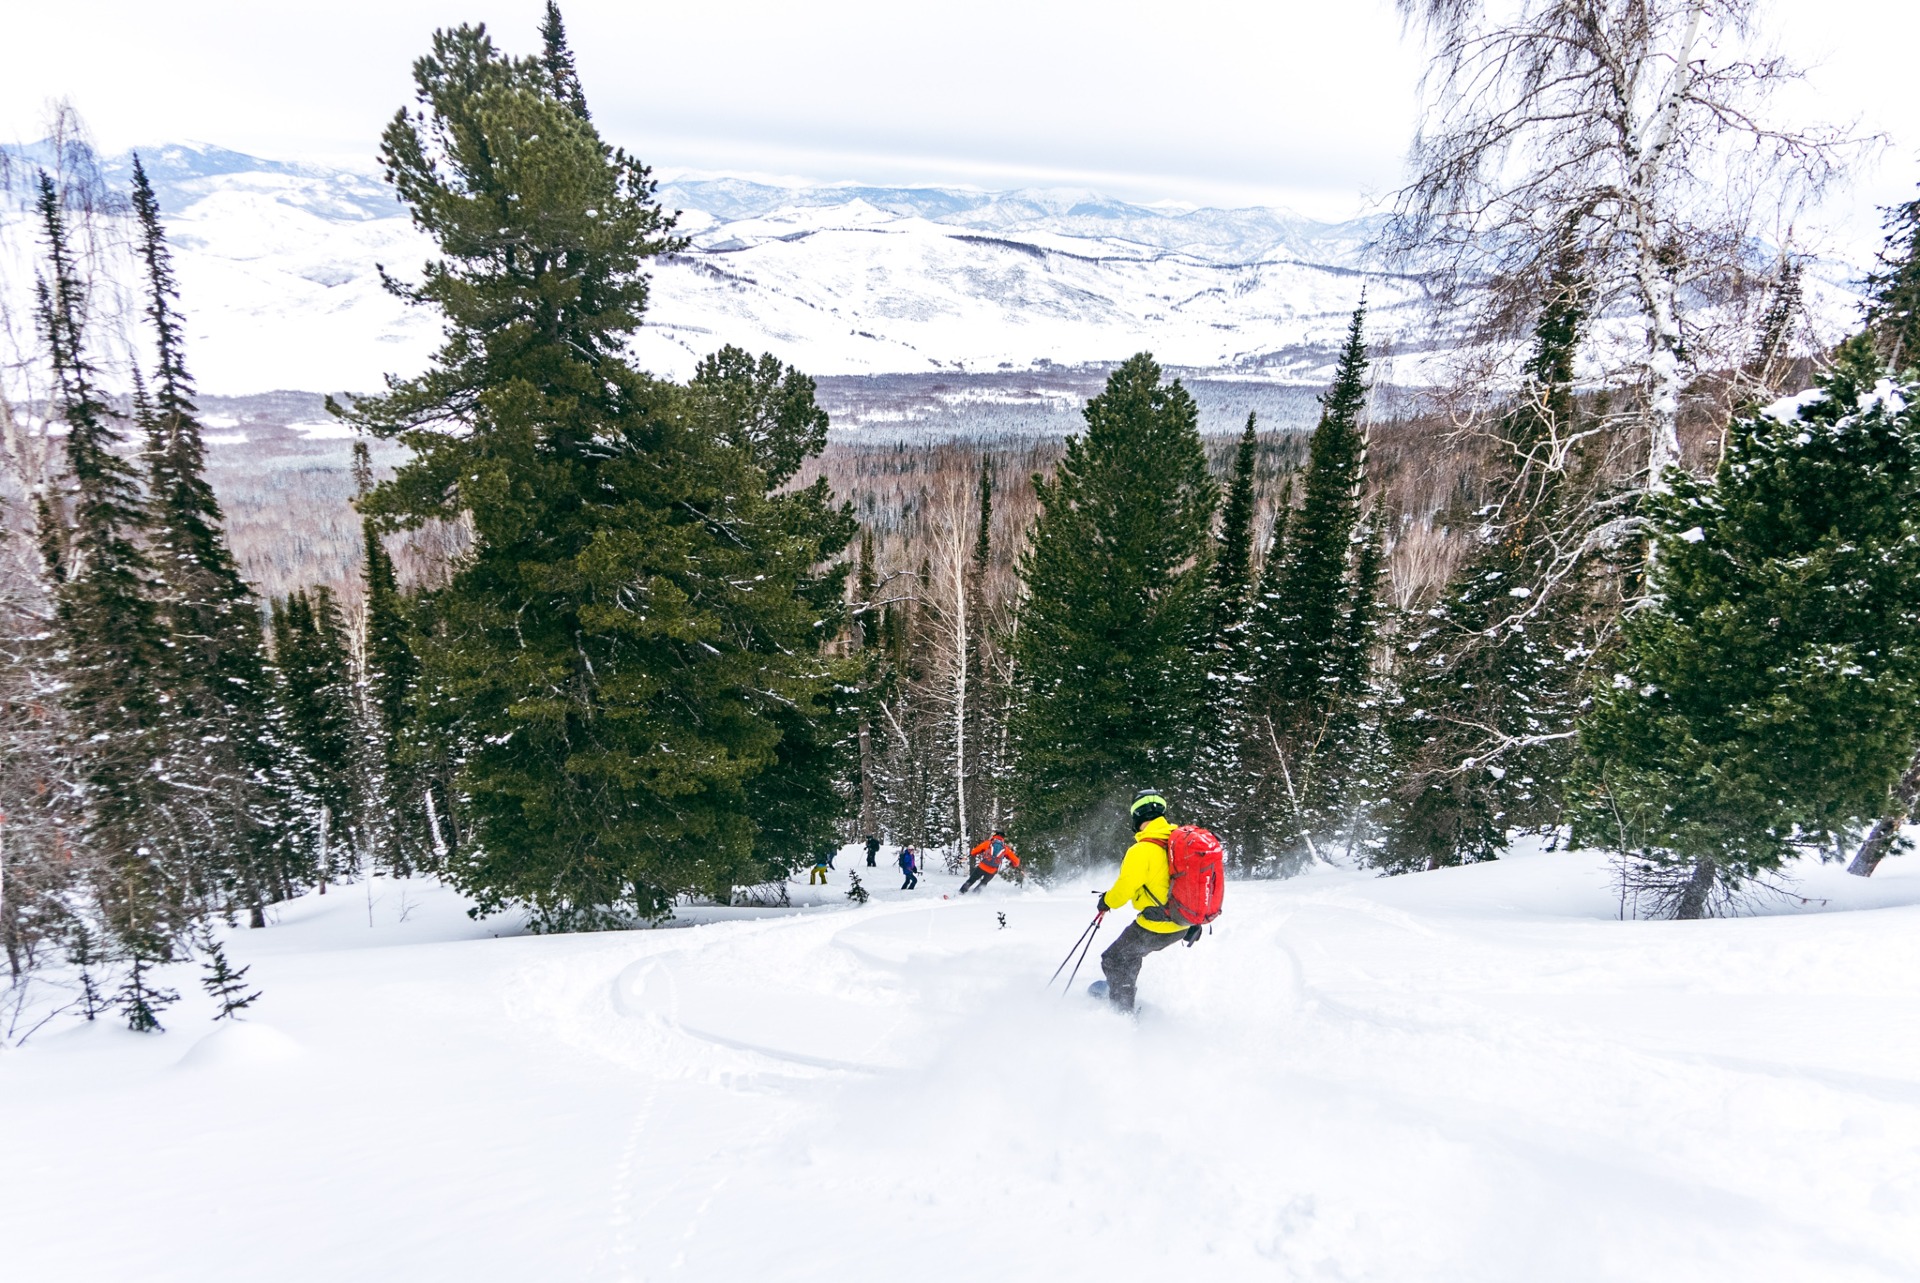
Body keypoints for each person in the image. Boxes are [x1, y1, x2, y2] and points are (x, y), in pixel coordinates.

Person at [1092, 790, 1199, 1012]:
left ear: (1137, 816)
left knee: (1115, 959)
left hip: (1156, 925)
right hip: (1184, 923)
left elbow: (1125, 888)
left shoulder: (1142, 850)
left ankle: (1122, 1012)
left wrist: (1106, 901)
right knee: (1129, 955)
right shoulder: (1179, 843)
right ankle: (1120, 988)